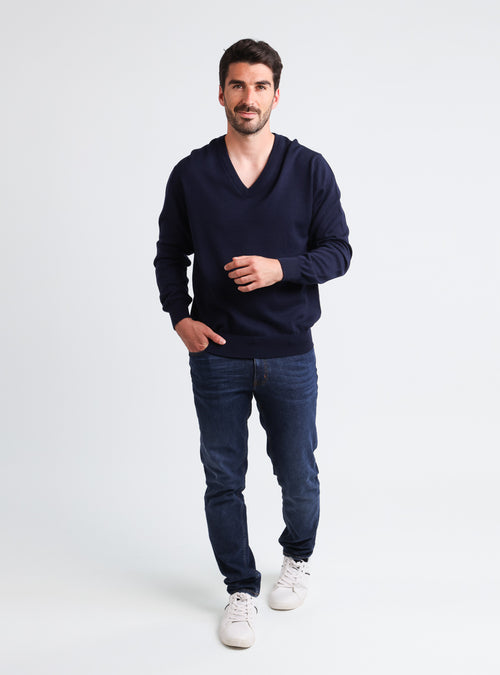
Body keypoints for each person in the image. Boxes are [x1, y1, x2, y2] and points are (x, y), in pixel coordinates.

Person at [154, 38, 352, 648]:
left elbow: (338, 252)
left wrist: (280, 269)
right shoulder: (192, 174)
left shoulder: (309, 169)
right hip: (217, 354)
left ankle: (297, 556)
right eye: (238, 85)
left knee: (298, 472)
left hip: (290, 351)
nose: (248, 97)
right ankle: (240, 589)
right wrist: (179, 317)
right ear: (221, 93)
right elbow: (169, 254)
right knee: (223, 478)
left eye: (260, 86)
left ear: (275, 95)